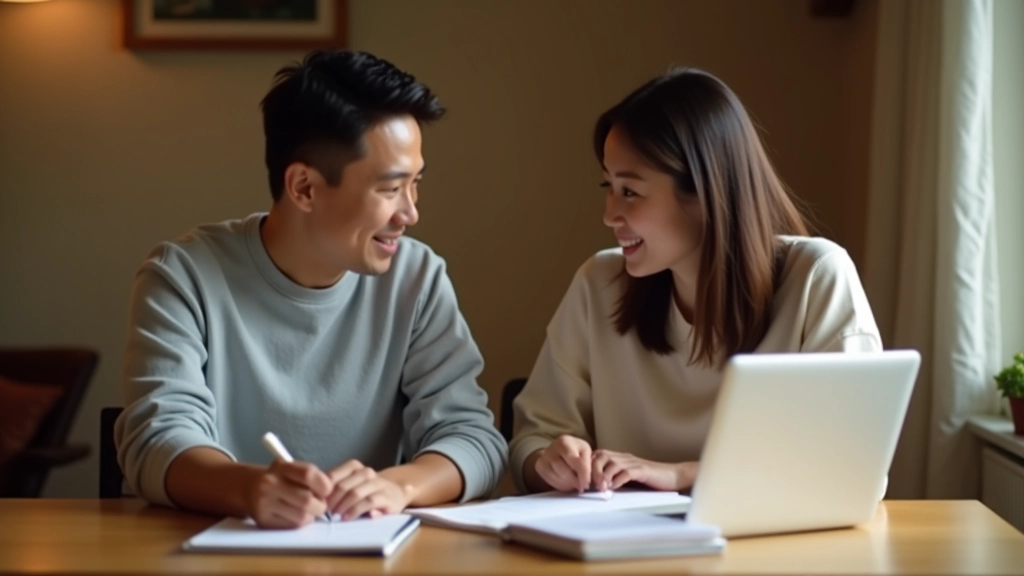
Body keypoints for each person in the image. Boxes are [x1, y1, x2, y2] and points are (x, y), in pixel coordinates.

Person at [115, 50, 507, 528]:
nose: (410, 213)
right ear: (303, 187)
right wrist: (249, 489)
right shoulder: (183, 276)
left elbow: (474, 439)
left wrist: (397, 486)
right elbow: (156, 440)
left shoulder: (417, 278)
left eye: (415, 184)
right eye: (390, 189)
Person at [509, 68, 881, 495]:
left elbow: (852, 468)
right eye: (607, 186)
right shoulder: (599, 283)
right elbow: (531, 440)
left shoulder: (818, 278)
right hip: (624, 556)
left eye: (629, 192)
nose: (609, 214)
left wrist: (682, 475)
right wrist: (548, 462)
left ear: (705, 192)